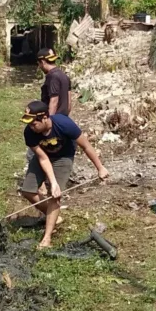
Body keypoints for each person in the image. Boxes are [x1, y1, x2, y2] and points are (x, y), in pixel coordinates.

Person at [21, 101, 109, 248]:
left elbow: (86, 146)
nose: (31, 127)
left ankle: (47, 238)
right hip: (44, 157)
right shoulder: (29, 132)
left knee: (55, 196)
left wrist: (100, 168)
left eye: (33, 123)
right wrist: (52, 181)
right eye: (29, 124)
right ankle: (54, 216)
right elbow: (43, 158)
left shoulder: (64, 124)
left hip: (63, 157)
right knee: (28, 191)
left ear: (44, 118)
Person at [25, 48, 72, 163]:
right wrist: (65, 118)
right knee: (57, 150)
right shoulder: (63, 75)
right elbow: (69, 99)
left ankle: (41, 178)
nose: (40, 67)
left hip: (52, 121)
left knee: (33, 154)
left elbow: (54, 100)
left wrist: (48, 122)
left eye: (39, 64)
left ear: (42, 62)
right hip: (63, 119)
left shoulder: (52, 77)